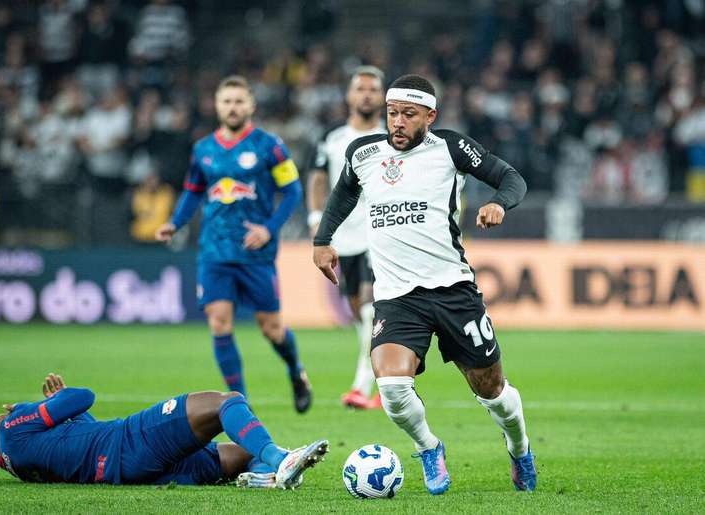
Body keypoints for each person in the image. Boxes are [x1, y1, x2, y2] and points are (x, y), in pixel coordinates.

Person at [312, 74, 536, 495]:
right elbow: (342, 194)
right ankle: (429, 448)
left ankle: (520, 447)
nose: (397, 122)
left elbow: (512, 179)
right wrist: (323, 241)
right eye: (392, 113)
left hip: (453, 290)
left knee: (492, 391)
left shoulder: (450, 147)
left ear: (430, 116)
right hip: (397, 297)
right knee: (393, 389)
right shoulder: (363, 153)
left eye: (408, 115)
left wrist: (497, 203)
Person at [156, 76, 312, 413]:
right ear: (216, 105)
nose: (232, 107)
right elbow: (193, 190)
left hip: (256, 252)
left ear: (251, 105)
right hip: (214, 250)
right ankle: (240, 403)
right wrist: (176, 222)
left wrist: (270, 229)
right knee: (219, 322)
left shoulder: (269, 146)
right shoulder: (203, 150)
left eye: (239, 101)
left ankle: (296, 372)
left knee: (271, 329)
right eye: (226, 101)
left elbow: (293, 192)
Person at [0, 373, 328, 488]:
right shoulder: (13, 425)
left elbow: (81, 436)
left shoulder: (22, 468)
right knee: (225, 402)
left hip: (130, 470)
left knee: (242, 456)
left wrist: (54, 407)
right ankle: (282, 460)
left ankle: (268, 476)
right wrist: (38, 406)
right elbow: (84, 397)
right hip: (130, 442)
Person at [306, 66, 386, 410]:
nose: (366, 94)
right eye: (360, 88)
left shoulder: (392, 137)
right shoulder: (333, 137)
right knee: (358, 311)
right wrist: (315, 220)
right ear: (349, 95)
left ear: (382, 97)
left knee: (370, 309)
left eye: (372, 89)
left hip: (380, 234)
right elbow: (318, 179)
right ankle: (389, 377)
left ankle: (362, 385)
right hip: (345, 236)